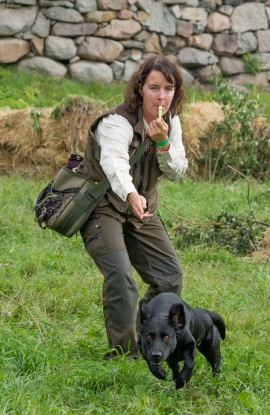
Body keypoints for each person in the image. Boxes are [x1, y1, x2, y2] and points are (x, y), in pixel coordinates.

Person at [77, 55, 188, 360]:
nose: (161, 96)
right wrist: (130, 193)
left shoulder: (171, 122)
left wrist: (164, 142)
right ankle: (125, 353)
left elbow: (178, 171)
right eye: (154, 87)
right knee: (120, 276)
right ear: (140, 88)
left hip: (143, 210)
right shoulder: (116, 122)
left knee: (169, 277)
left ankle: (148, 335)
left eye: (168, 88)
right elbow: (114, 163)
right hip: (105, 207)